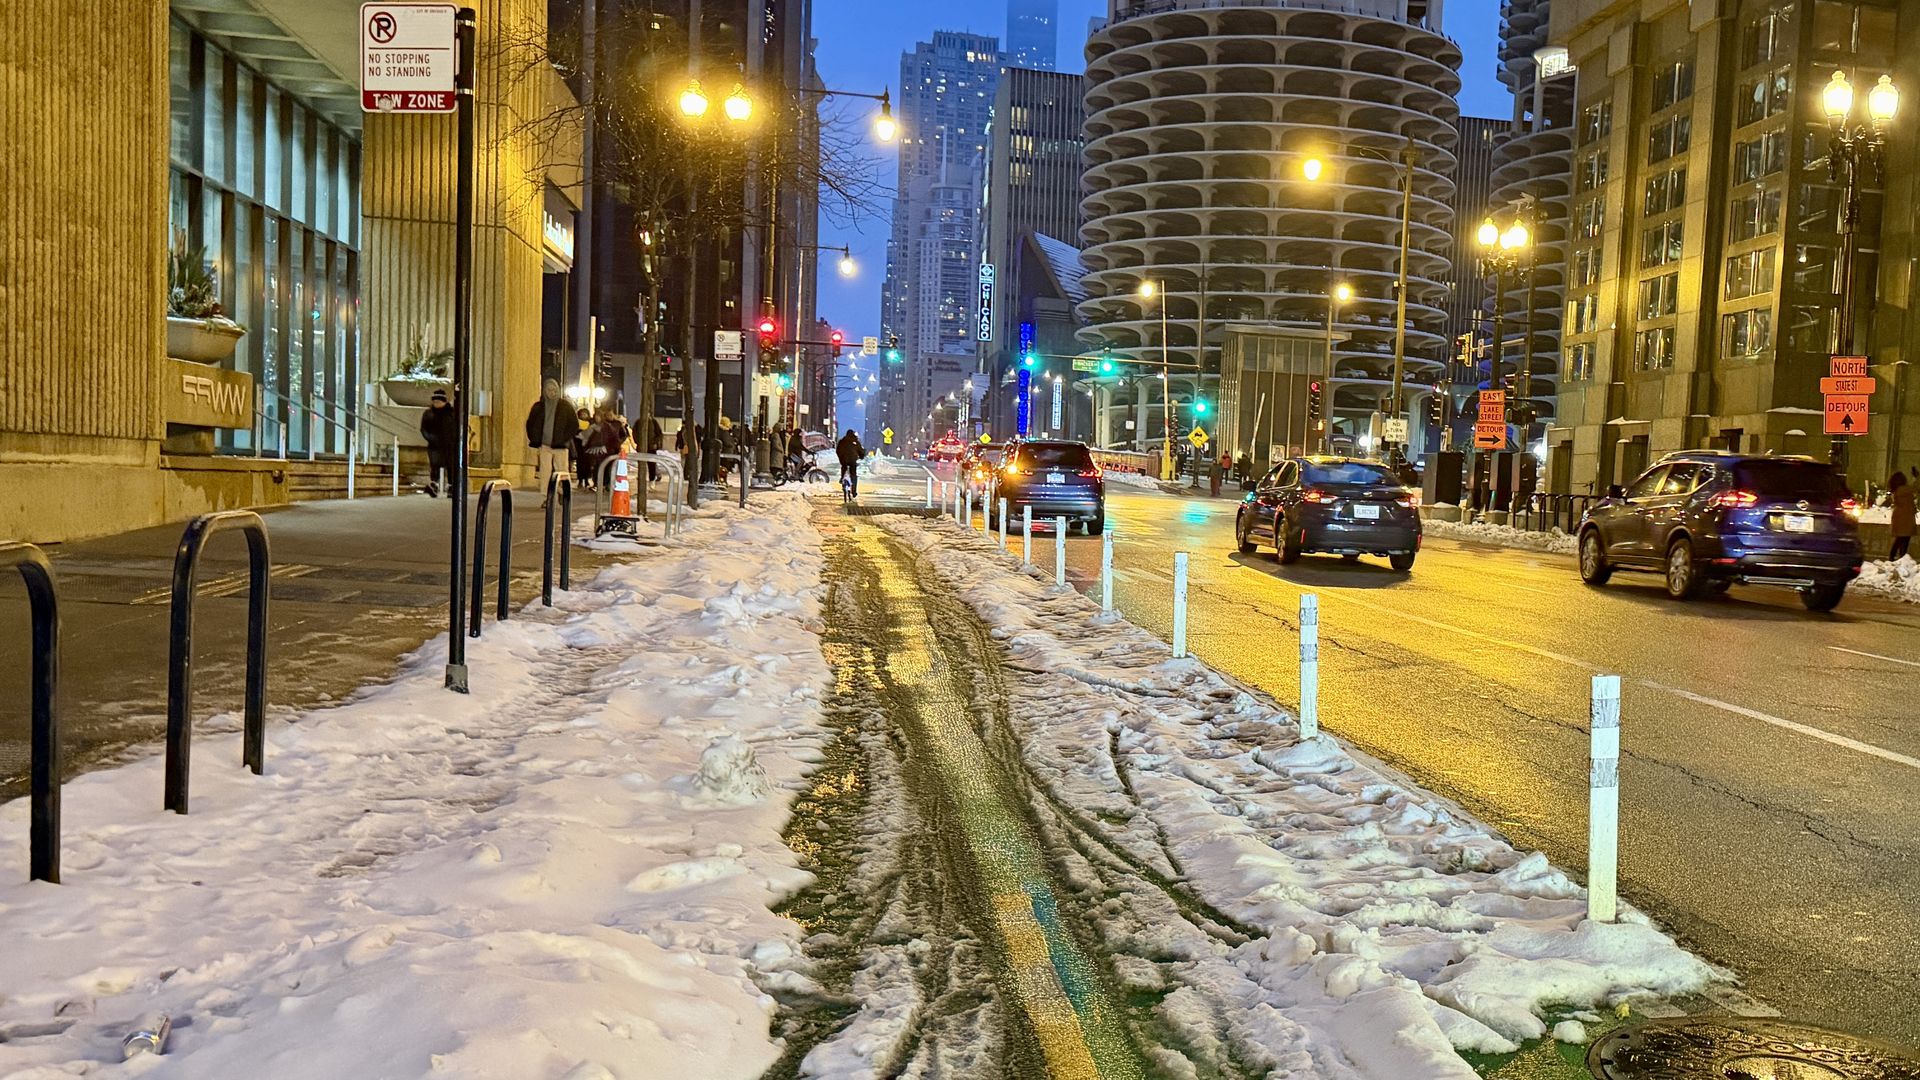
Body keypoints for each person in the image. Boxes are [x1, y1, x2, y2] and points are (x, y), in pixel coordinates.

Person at [524, 378, 581, 505]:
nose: (552, 392)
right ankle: (546, 497)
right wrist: (534, 438)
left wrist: (565, 438)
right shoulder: (538, 407)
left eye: (554, 390)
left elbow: (574, 424)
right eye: (549, 390)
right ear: (544, 391)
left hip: (560, 445)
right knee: (545, 471)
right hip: (544, 444)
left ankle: (562, 492)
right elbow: (530, 423)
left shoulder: (565, 406)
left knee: (562, 469)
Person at [418, 388, 462, 497]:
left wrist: (455, 439)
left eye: (439, 402)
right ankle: (434, 485)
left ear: (444, 402)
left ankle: (451, 487)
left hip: (450, 445)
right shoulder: (428, 414)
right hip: (434, 444)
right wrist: (431, 438)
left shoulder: (452, 414)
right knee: (435, 464)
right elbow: (424, 429)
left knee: (451, 466)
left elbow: (457, 428)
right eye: (435, 402)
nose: (436, 404)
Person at [1891, 471, 1915, 561]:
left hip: (1899, 517)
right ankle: (1901, 559)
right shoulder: (1906, 490)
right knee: (1905, 540)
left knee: (1899, 540)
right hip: (1907, 517)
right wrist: (1917, 477)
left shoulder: (1897, 491)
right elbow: (1915, 487)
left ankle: (1892, 557)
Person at [835, 428, 864, 496]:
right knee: (853, 474)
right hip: (852, 461)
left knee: (844, 468)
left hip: (844, 460)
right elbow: (860, 451)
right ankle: (854, 491)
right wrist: (861, 456)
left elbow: (838, 450)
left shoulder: (842, 441)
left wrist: (840, 457)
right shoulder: (856, 442)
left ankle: (842, 479)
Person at [571, 407, 593, 489]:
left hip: (588, 447)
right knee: (580, 464)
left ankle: (587, 480)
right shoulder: (576, 423)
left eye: (585, 414)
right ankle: (580, 480)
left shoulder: (591, 423)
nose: (583, 416)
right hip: (579, 447)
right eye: (582, 414)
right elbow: (574, 434)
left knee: (588, 464)